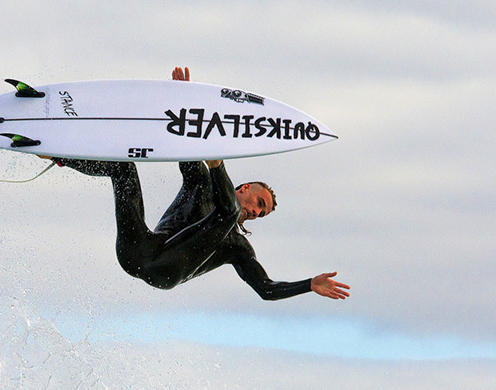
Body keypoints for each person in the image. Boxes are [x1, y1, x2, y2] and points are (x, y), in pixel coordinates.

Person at [48, 67, 350, 301]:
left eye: (263, 214)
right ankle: (57, 154)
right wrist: (183, 98)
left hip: (167, 272)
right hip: (135, 251)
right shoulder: (200, 183)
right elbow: (186, 144)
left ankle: (217, 161)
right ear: (244, 188)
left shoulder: (237, 245)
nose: (258, 212)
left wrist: (308, 285)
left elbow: (266, 289)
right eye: (260, 203)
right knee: (124, 169)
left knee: (227, 213)